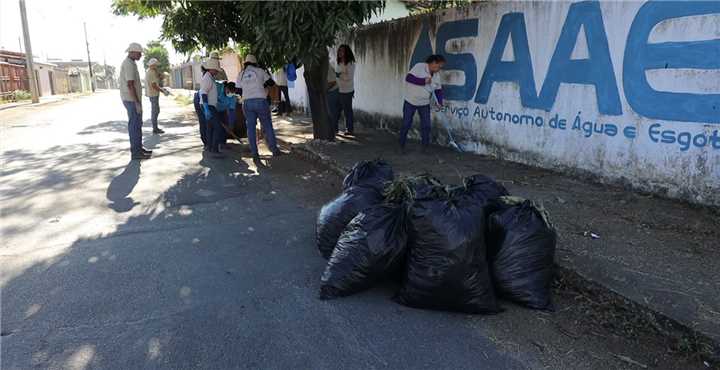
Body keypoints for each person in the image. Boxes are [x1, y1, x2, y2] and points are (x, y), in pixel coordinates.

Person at [236, 54, 282, 161]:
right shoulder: (260, 71)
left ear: (246, 63)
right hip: (261, 101)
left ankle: (254, 153)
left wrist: (248, 89)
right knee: (267, 125)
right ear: (254, 63)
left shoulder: (241, 74)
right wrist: (262, 85)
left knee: (251, 128)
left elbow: (238, 91)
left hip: (247, 103)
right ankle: (274, 150)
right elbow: (271, 83)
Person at [399, 54, 446, 153]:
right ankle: (401, 145)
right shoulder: (419, 66)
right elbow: (409, 78)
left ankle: (425, 147)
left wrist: (440, 102)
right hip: (410, 101)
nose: (439, 69)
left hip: (424, 103)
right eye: (439, 66)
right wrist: (423, 81)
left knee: (426, 126)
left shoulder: (436, 75)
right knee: (406, 124)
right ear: (433, 63)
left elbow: (438, 90)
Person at [119, 42, 151, 160]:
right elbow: (130, 84)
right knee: (134, 125)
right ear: (132, 52)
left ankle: (138, 148)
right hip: (131, 100)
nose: (140, 56)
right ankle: (136, 152)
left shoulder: (131, 63)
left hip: (132, 99)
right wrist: (137, 103)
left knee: (137, 125)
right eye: (139, 53)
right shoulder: (128, 64)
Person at [199, 58, 225, 158]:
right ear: (212, 69)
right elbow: (204, 93)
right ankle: (214, 149)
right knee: (217, 127)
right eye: (216, 70)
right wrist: (206, 108)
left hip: (210, 105)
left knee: (210, 127)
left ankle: (210, 147)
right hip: (208, 105)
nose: (217, 71)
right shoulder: (207, 78)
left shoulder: (209, 77)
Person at [335, 44, 356, 135]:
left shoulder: (350, 63)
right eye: (339, 51)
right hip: (338, 89)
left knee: (347, 111)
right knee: (336, 111)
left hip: (347, 91)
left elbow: (349, 77)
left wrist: (339, 75)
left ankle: (349, 129)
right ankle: (334, 128)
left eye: (342, 51)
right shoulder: (339, 63)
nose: (340, 52)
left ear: (346, 52)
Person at [145, 58, 165, 134]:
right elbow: (154, 85)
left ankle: (155, 127)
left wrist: (158, 73)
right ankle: (155, 129)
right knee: (155, 111)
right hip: (153, 94)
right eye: (155, 65)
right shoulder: (151, 73)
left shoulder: (151, 71)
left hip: (153, 94)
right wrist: (162, 91)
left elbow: (160, 77)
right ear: (152, 65)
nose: (157, 66)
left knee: (156, 110)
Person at [215, 81, 238, 148]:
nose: (230, 94)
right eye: (228, 92)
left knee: (224, 125)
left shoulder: (233, 97)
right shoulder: (217, 88)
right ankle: (210, 144)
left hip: (222, 110)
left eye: (232, 93)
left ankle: (222, 143)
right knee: (213, 125)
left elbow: (232, 112)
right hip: (210, 107)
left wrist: (231, 125)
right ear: (226, 88)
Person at [193, 66, 209, 150]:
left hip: (204, 99)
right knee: (203, 122)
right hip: (200, 99)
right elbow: (203, 93)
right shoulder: (207, 76)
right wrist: (206, 107)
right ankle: (206, 143)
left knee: (207, 122)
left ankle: (208, 141)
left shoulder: (215, 73)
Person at [327, 61, 340, 134]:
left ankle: (334, 130)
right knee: (331, 112)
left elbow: (332, 82)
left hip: (332, 91)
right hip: (329, 91)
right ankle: (333, 129)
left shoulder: (327, 67)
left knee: (332, 112)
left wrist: (324, 91)